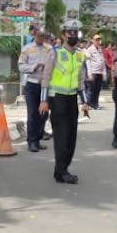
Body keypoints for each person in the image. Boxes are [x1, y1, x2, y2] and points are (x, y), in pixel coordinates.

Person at [39, 20, 90, 184]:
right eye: (70, 32)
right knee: (62, 137)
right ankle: (61, 172)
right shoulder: (55, 53)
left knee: (71, 137)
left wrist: (85, 102)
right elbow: (46, 77)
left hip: (72, 100)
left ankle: (62, 169)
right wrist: (43, 100)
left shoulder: (81, 55)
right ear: (64, 34)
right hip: (57, 99)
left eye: (75, 32)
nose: (73, 35)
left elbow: (81, 81)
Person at [19, 29, 54, 152]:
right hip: (32, 84)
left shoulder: (49, 49)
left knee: (44, 114)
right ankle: (31, 141)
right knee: (32, 113)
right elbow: (21, 66)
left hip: (45, 85)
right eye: (39, 35)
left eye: (43, 36)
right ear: (34, 35)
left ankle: (38, 139)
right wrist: (33, 67)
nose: (41, 38)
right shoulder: (27, 48)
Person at [85, 34, 106, 109]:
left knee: (97, 89)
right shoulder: (90, 49)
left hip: (99, 72)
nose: (98, 41)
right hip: (93, 71)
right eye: (96, 40)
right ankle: (89, 103)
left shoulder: (100, 49)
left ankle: (95, 104)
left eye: (99, 40)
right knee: (91, 89)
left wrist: (104, 72)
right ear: (93, 40)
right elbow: (88, 62)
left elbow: (102, 61)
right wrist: (89, 73)